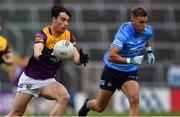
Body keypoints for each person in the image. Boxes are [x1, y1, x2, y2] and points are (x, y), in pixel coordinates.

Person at [6, 4, 89, 116]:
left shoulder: (68, 37)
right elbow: (37, 51)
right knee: (16, 113)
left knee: (64, 97)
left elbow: (75, 58)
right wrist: (41, 56)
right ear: (54, 19)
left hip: (48, 80)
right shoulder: (43, 34)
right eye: (63, 20)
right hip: (30, 79)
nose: (66, 24)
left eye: (67, 21)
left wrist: (81, 60)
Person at [78, 5, 155, 116]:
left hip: (129, 72)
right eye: (141, 22)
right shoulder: (124, 33)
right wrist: (131, 60)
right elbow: (111, 56)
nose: (144, 26)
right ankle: (88, 104)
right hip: (112, 70)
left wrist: (149, 51)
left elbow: (145, 38)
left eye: (145, 22)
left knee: (134, 100)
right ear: (132, 20)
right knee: (100, 107)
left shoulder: (147, 30)